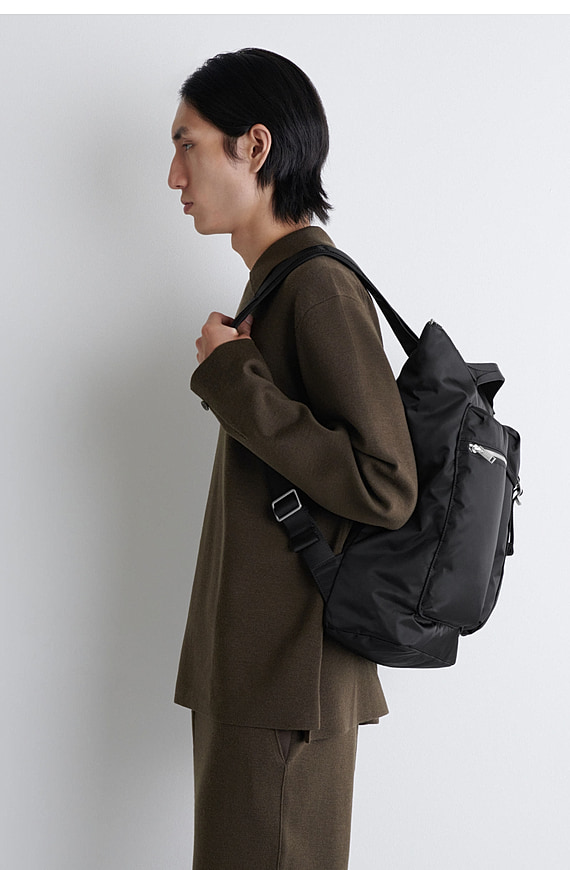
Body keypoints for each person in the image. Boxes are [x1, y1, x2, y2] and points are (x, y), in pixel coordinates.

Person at [168, 48, 417, 870]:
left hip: (287, 683)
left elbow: (386, 484)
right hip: (261, 675)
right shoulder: (276, 284)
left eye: (188, 144)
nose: (174, 176)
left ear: (255, 147)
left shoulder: (317, 287)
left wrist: (232, 375)